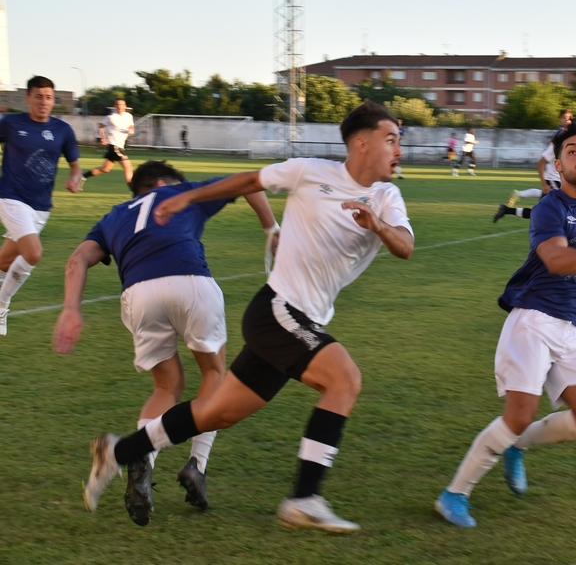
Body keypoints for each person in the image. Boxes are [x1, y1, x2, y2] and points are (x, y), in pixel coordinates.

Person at [82, 101, 414, 534]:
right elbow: (247, 180)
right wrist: (187, 196)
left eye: (399, 141)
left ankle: (119, 452)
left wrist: (377, 225)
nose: (399, 150)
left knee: (217, 413)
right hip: (278, 310)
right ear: (361, 143)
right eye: (391, 139)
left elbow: (404, 245)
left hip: (304, 320)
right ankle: (304, 499)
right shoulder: (309, 171)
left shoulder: (387, 196)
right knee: (344, 379)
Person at [435, 119, 576, 528]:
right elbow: (557, 260)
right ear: (557, 167)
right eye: (572, 151)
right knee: (518, 414)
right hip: (532, 318)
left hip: (571, 329)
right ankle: (453, 493)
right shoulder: (550, 207)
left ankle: (516, 447)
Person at [54, 160, 278, 526]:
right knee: (214, 373)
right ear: (163, 183)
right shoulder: (181, 192)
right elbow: (250, 182)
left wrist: (70, 309)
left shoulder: (114, 215)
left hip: (139, 293)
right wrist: (271, 226)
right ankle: (196, 465)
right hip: (191, 281)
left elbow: (78, 258)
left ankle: (144, 457)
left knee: (167, 384)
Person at [0, 75, 81, 336]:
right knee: (33, 254)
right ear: (28, 98)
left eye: (48, 97)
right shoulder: (11, 123)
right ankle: (2, 306)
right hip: (11, 197)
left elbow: (75, 164)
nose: (44, 102)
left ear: (53, 100)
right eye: (38, 96)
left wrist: (74, 178)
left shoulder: (63, 130)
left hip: (41, 206)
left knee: (4, 262)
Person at [493, 109, 572, 222]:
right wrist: (545, 184)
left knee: (541, 213)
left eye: (569, 118)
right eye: (565, 118)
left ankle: (506, 209)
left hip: (559, 180)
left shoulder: (569, 142)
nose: (567, 120)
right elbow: (540, 163)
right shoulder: (557, 142)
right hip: (554, 180)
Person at [81, 98, 135, 187]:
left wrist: (130, 130)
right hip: (115, 145)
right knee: (128, 167)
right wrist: (103, 138)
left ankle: (82, 176)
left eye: (122, 104)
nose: (120, 106)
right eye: (118, 104)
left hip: (119, 145)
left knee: (105, 169)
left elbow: (132, 127)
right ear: (115, 106)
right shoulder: (111, 117)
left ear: (125, 106)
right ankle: (133, 190)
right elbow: (100, 127)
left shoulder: (129, 116)